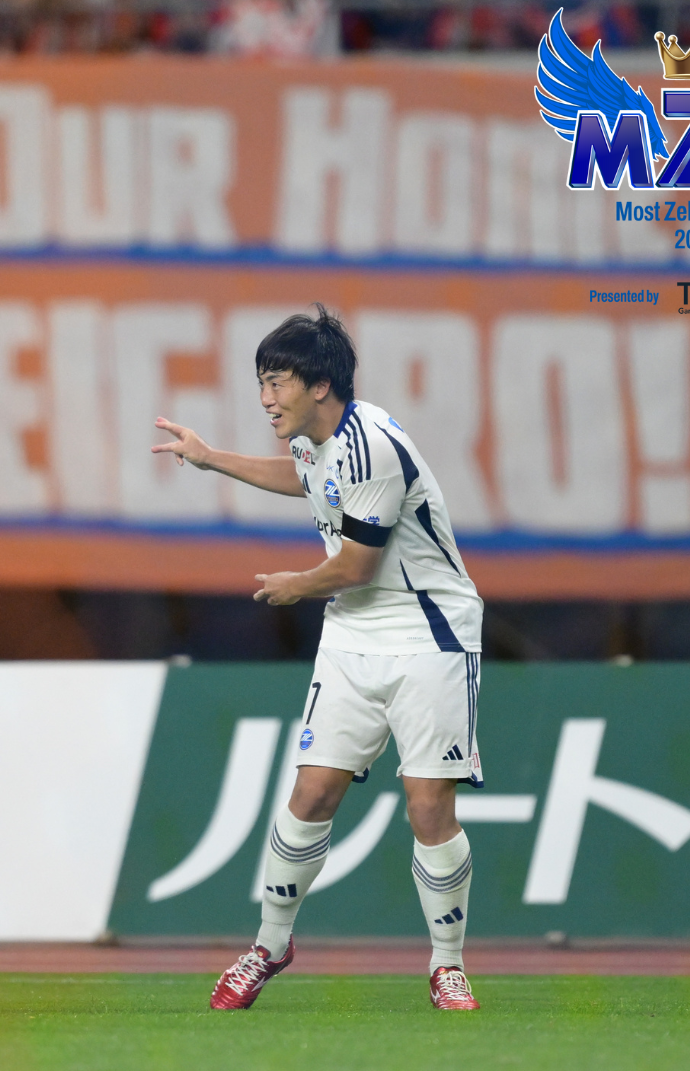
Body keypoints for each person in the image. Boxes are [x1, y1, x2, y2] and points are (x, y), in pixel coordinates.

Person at [152, 304, 484, 1012]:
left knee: (428, 805)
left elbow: (358, 567)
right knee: (312, 794)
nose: (265, 398)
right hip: (353, 635)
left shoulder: (373, 446)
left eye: (277, 383)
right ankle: (269, 946)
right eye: (262, 382)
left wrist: (294, 585)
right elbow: (304, 477)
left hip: (430, 633)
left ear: (321, 385)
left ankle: (447, 965)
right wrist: (211, 458)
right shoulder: (316, 441)